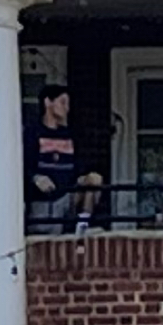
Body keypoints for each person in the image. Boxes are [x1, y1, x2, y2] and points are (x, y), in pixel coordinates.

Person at [25, 84, 105, 232]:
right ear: (48, 102)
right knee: (47, 247)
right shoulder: (32, 133)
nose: (67, 108)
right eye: (62, 102)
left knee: (95, 178)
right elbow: (22, 167)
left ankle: (83, 224)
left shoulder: (69, 135)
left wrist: (83, 181)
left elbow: (78, 168)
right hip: (44, 201)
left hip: (67, 196)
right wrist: (35, 178)